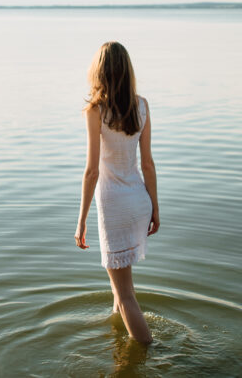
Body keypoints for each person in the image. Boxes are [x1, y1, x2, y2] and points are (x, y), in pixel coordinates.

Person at [75, 41, 159, 345]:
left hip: (112, 205)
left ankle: (149, 352)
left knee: (124, 294)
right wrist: (155, 209)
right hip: (138, 201)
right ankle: (118, 339)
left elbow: (92, 171)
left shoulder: (95, 110)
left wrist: (81, 220)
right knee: (123, 289)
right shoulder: (142, 106)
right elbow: (147, 164)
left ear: (99, 71)